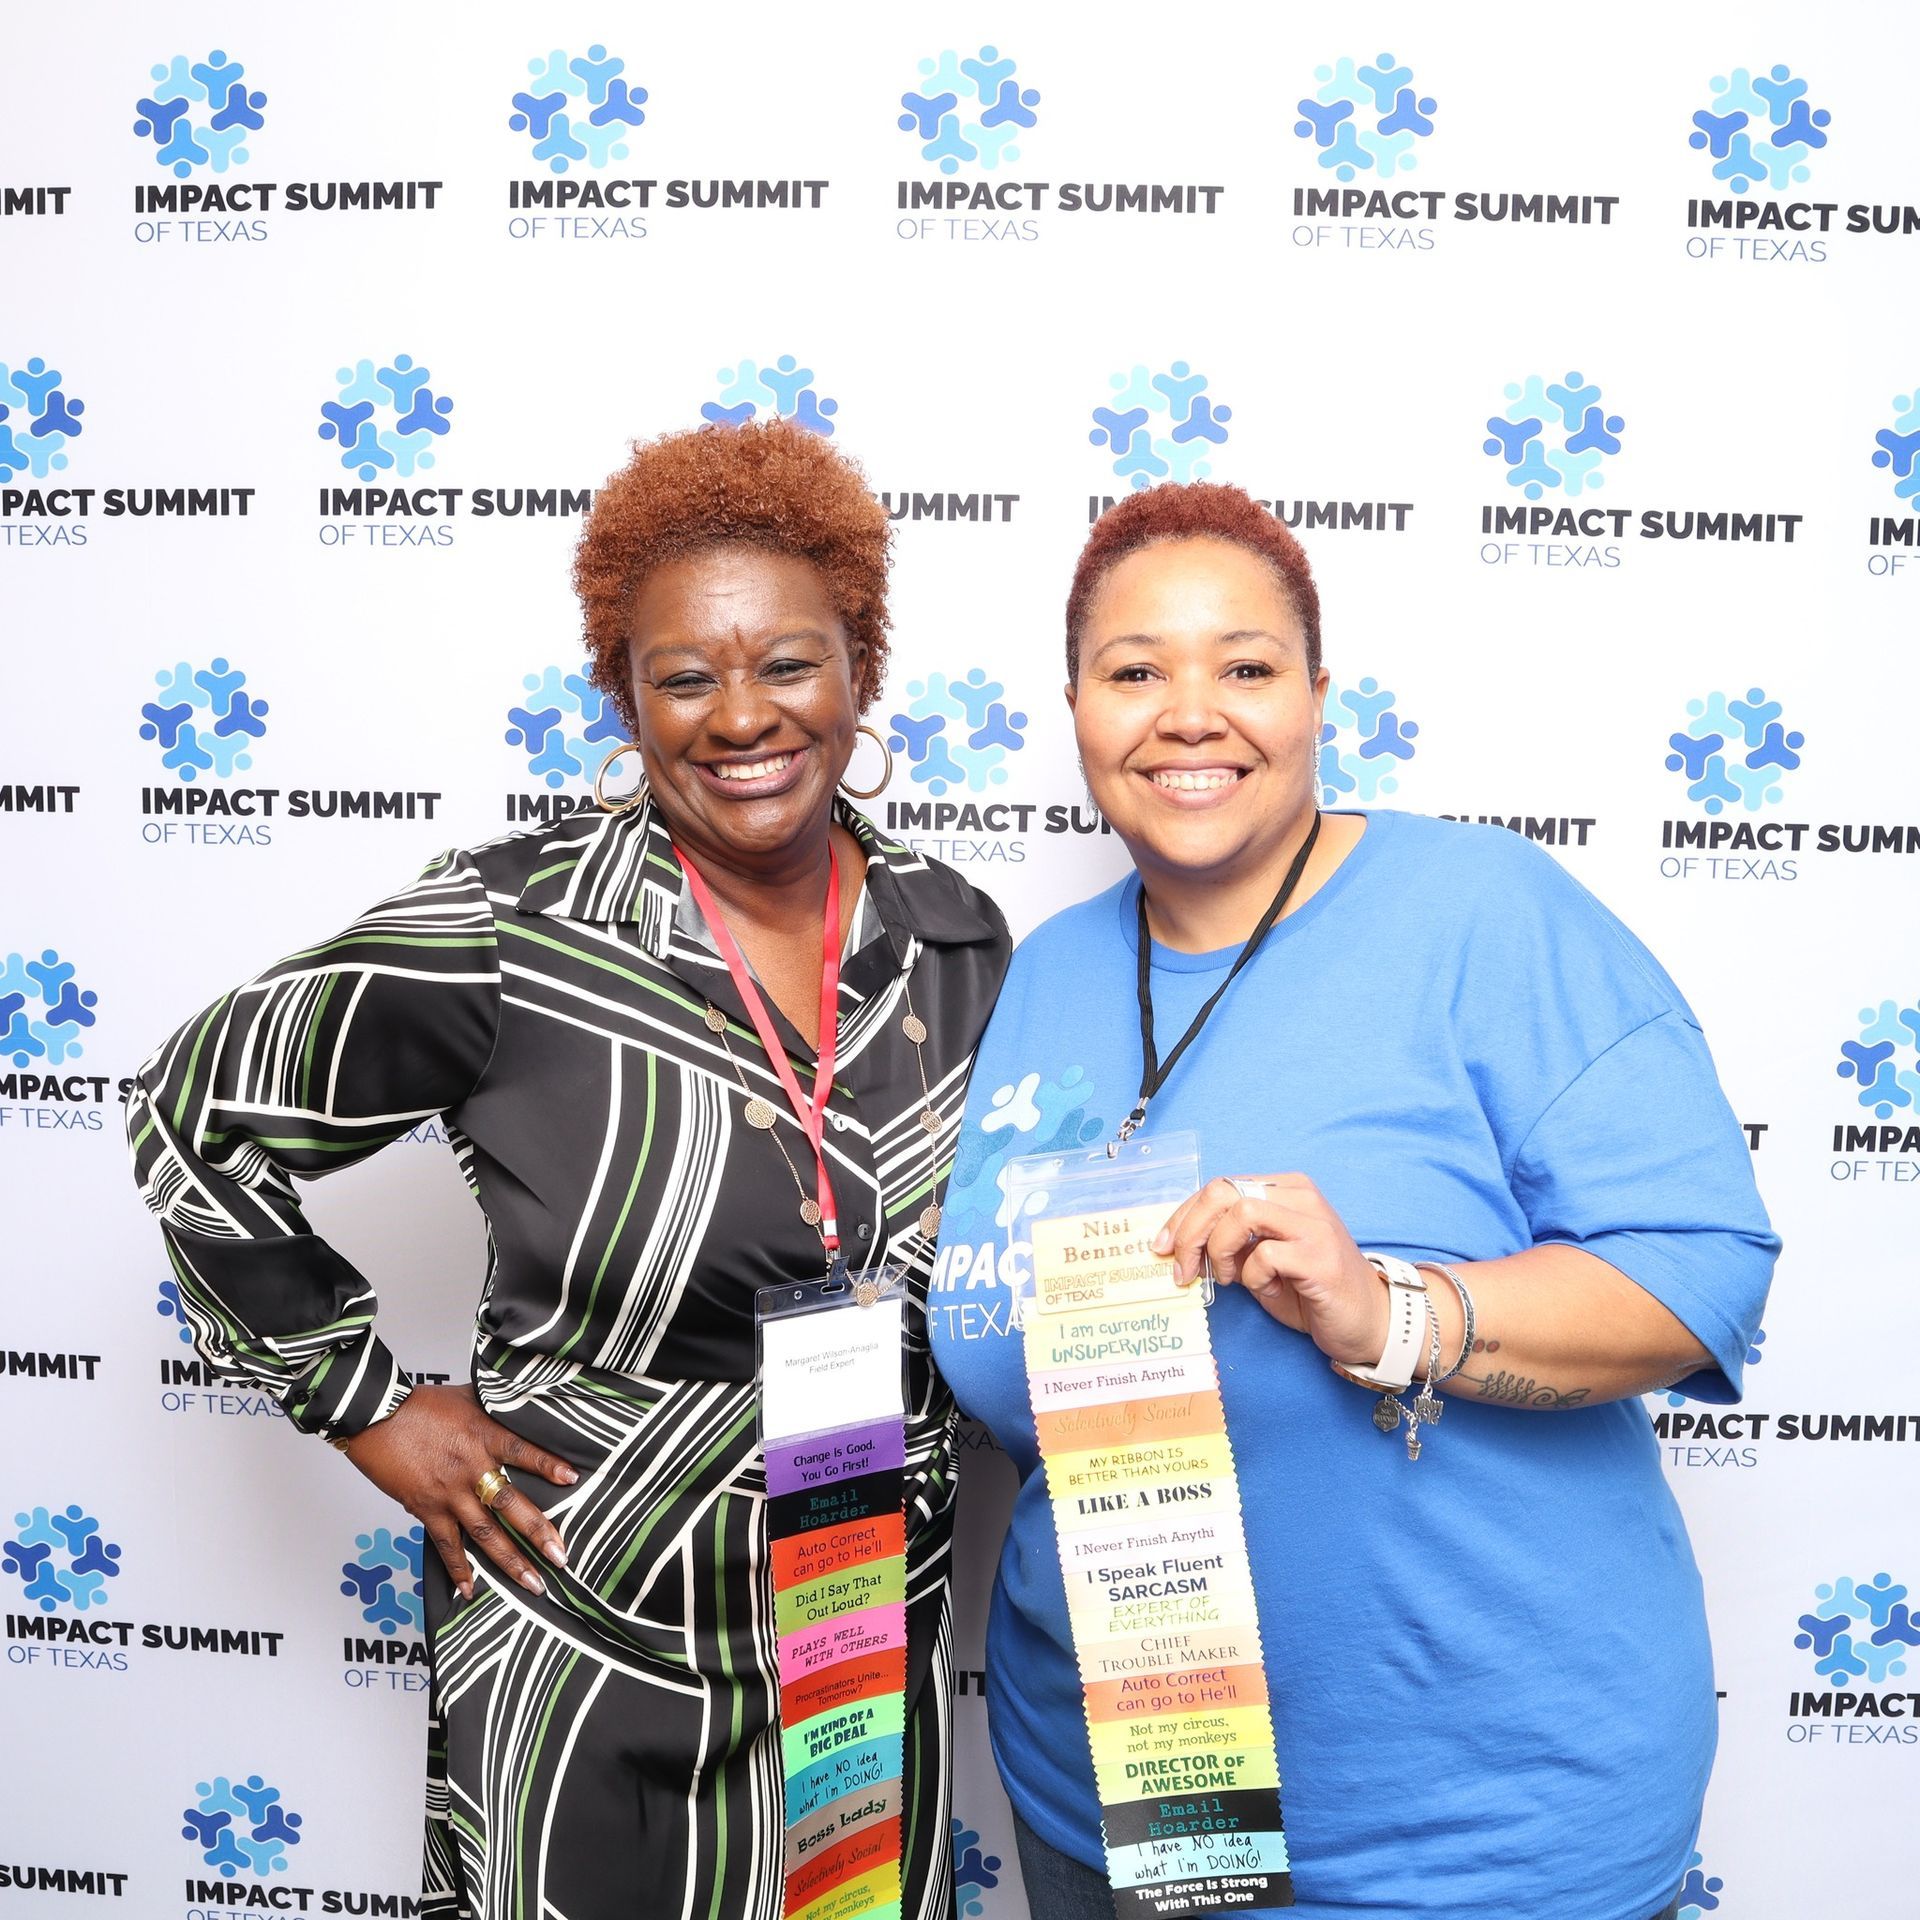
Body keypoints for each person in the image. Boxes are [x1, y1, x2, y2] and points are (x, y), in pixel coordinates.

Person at [127, 419, 1010, 1920]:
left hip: (859, 1611)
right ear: (623, 693)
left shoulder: (952, 938)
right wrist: (363, 1405)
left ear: (863, 665)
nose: (743, 716)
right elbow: (194, 1114)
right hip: (582, 1620)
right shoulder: (513, 929)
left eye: (791, 662)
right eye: (684, 676)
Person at [931, 481, 1776, 1920]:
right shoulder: (1045, 971)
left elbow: (1705, 1274)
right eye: (1136, 671)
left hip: (1469, 1841)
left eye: (1245, 668)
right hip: (1114, 1804)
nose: (1190, 713)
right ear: (1072, 704)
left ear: (1321, 696)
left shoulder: (1485, 913)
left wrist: (1394, 1309)